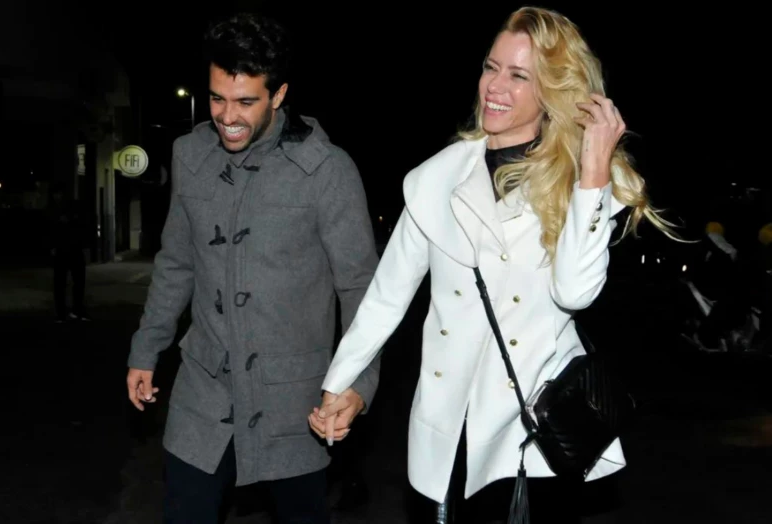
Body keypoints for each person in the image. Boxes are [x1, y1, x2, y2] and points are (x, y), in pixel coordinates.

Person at [309, 6, 678, 523]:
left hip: (532, 430)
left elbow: (574, 292)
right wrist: (339, 383)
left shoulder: (581, 182)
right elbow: (387, 296)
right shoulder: (437, 179)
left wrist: (593, 171)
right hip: (448, 421)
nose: (495, 86)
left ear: (551, 91)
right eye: (491, 67)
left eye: (519, 75)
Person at [125, 12, 381, 524]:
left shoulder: (327, 170)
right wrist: (146, 348)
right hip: (204, 392)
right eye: (217, 99)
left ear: (279, 94)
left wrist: (358, 383)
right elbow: (176, 263)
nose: (228, 116)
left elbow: (360, 288)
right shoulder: (191, 156)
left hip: (294, 403)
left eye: (245, 102)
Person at [48, 184, 89, 322]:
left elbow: (80, 225)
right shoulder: (53, 210)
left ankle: (75, 311)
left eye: (59, 194)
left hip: (71, 249)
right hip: (64, 250)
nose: (57, 196)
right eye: (56, 194)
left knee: (75, 282)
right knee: (63, 283)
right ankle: (65, 313)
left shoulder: (67, 208)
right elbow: (49, 230)